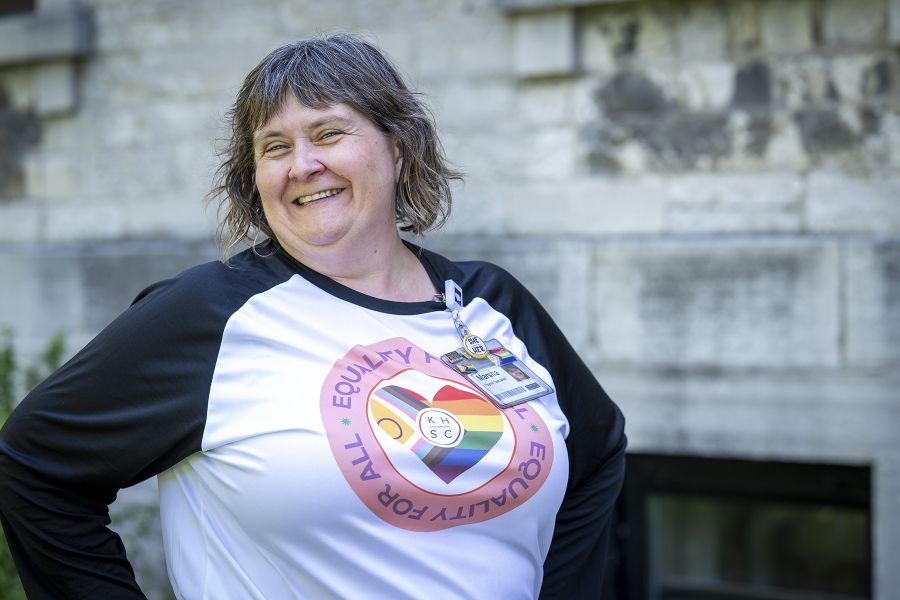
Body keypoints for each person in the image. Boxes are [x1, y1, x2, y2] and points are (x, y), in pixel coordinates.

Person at [0, 34, 626, 599]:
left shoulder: (492, 301)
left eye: (328, 133)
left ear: (400, 148)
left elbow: (596, 454)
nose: (303, 164)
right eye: (275, 146)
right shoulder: (211, 316)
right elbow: (32, 467)